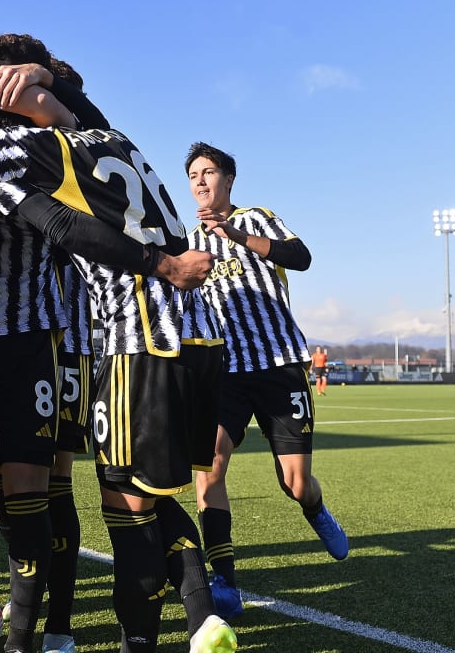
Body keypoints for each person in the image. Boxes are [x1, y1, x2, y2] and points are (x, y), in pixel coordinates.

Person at [0, 66, 237, 653]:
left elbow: (54, 221)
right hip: (191, 333)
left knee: (123, 508)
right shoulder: (106, 134)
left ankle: (124, 637)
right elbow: (68, 107)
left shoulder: (29, 152)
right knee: (139, 497)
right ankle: (201, 615)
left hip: (140, 336)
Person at [186, 142, 348, 622]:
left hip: (278, 365)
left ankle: (316, 510)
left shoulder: (256, 218)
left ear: (229, 180)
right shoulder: (187, 241)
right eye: (193, 173)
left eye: (209, 171)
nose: (200, 180)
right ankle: (225, 581)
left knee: (295, 483)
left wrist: (235, 235)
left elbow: (301, 257)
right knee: (209, 465)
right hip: (225, 373)